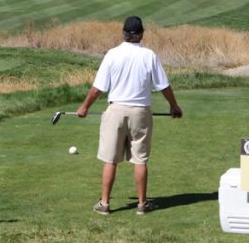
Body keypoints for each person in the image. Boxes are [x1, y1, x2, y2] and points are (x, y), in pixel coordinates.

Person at [77, 16, 182, 215]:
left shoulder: (112, 54)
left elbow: (98, 88)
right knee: (140, 159)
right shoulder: (149, 55)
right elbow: (163, 86)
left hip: (116, 111)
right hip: (140, 112)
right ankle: (142, 204)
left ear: (123, 33)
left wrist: (84, 107)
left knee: (110, 159)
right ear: (141, 34)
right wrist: (174, 106)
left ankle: (104, 204)